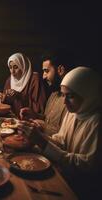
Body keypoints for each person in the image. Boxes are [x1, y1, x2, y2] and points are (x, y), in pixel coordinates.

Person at [19, 66, 101, 199]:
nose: (64, 101)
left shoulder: (96, 122)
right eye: (63, 95)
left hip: (80, 190)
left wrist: (42, 142)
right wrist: (38, 137)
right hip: (63, 175)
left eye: (71, 96)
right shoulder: (75, 112)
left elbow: (86, 167)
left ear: (88, 94)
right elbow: (61, 141)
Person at [19, 50, 72, 135]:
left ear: (60, 70)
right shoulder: (54, 93)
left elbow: (65, 137)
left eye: (46, 71)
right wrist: (34, 115)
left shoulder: (72, 99)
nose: (43, 76)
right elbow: (46, 119)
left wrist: (42, 126)